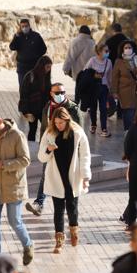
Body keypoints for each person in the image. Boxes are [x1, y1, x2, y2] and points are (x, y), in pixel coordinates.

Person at [0, 111, 34, 265]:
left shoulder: (17, 136)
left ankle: (28, 245)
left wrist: (3, 165)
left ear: (0, 121)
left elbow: (25, 160)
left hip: (13, 187)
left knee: (15, 221)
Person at [37, 107, 91, 253]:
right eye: (56, 123)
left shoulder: (78, 132)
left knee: (72, 208)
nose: (59, 125)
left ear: (67, 120)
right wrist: (48, 149)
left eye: (61, 122)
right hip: (56, 177)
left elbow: (85, 155)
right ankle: (59, 241)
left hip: (73, 176)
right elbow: (41, 157)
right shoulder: (49, 133)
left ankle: (74, 231)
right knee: (58, 210)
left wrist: (86, 176)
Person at [25, 82, 80, 216]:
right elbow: (44, 128)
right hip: (51, 147)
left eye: (62, 92)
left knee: (67, 178)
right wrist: (43, 147)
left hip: (67, 149)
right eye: (57, 93)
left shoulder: (72, 108)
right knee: (46, 174)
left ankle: (71, 207)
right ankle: (38, 203)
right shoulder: (48, 107)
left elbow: (78, 130)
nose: (60, 95)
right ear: (51, 93)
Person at [111, 40, 137, 131]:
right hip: (125, 93)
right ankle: (128, 133)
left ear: (133, 49)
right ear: (122, 50)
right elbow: (115, 78)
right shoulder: (119, 62)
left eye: (130, 47)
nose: (128, 49)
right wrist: (114, 92)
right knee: (128, 114)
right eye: (126, 48)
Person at [18, 55, 52, 141]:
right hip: (32, 110)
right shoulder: (30, 76)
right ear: (42, 66)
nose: (49, 69)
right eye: (47, 67)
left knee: (46, 129)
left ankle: (43, 147)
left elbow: (48, 92)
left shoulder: (46, 77)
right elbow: (24, 94)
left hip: (43, 109)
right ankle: (30, 148)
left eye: (50, 67)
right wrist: (26, 112)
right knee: (33, 129)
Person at [84, 43, 113, 137]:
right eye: (106, 51)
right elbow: (86, 72)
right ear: (99, 52)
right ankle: (93, 124)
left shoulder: (109, 62)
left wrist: (110, 89)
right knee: (93, 107)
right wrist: (94, 75)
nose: (108, 52)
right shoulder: (92, 60)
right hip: (93, 87)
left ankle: (104, 128)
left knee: (103, 108)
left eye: (108, 50)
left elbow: (110, 76)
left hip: (104, 87)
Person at [9, 18, 47, 88]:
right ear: (20, 27)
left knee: (34, 87)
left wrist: (36, 56)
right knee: (23, 86)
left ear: (29, 26)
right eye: (22, 26)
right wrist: (16, 37)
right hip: (22, 67)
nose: (24, 28)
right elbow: (12, 47)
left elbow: (44, 49)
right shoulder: (18, 37)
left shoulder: (36, 36)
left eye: (26, 26)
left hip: (34, 66)